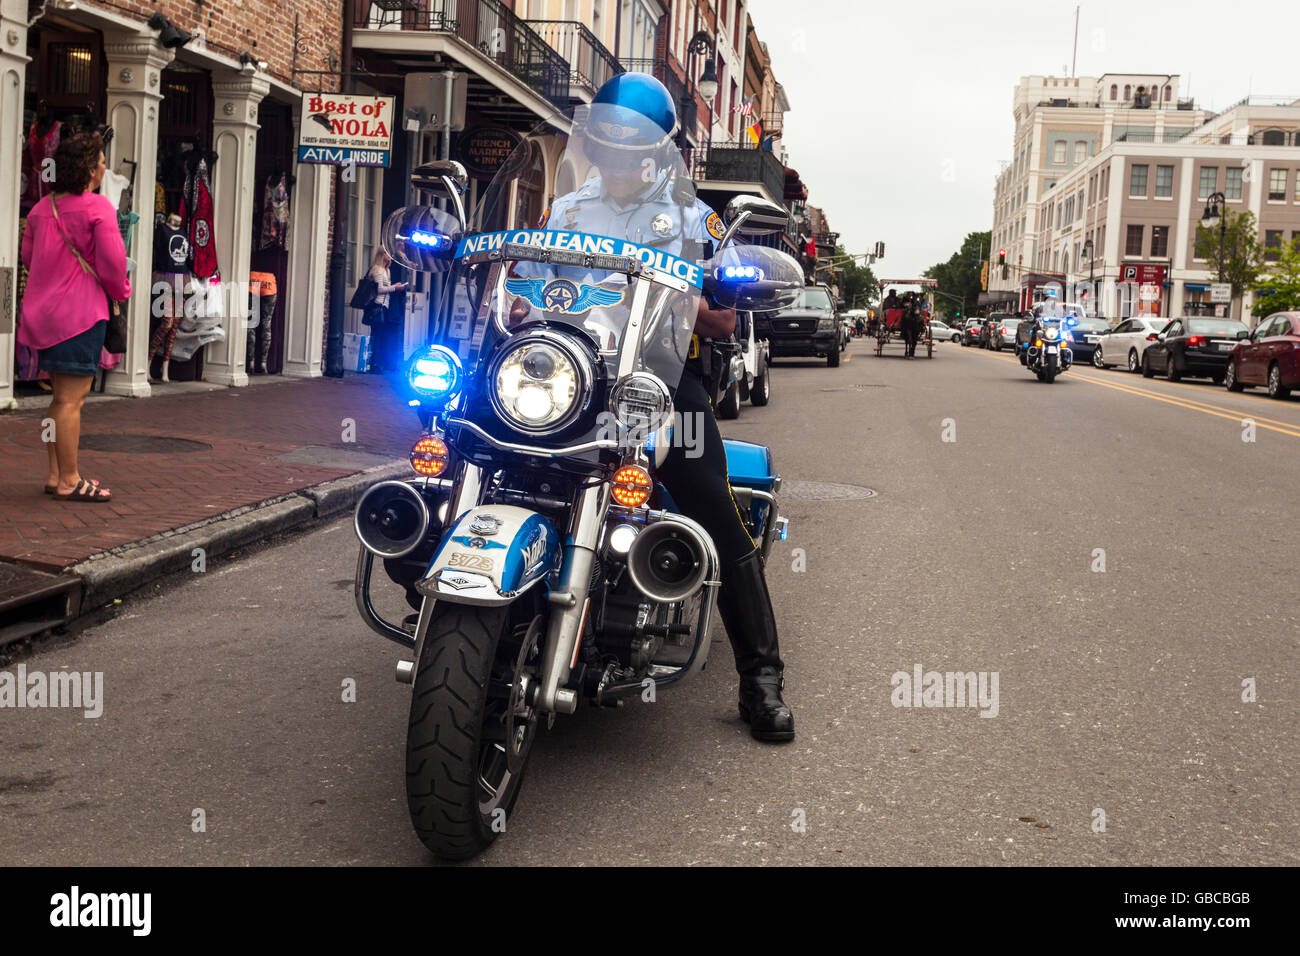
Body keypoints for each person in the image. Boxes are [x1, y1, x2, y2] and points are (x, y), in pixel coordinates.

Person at [515, 74, 794, 741]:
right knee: (477, 444)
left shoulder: (695, 220)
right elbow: (530, 285)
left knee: (713, 507)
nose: (616, 154)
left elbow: (725, 323)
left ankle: (762, 678)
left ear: (658, 149)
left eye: (631, 142)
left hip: (661, 385)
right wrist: (522, 299)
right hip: (572, 380)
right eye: (606, 140)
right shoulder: (568, 213)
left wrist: (697, 299)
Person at [17, 131, 129, 502]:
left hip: (42, 315)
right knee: (71, 400)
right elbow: (113, 267)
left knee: (57, 400)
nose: (103, 167)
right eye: (99, 161)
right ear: (89, 170)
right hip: (80, 315)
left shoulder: (40, 209)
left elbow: (29, 258)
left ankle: (54, 473)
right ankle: (69, 478)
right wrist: (122, 293)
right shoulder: (98, 208)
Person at [364, 248, 407, 373]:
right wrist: (395, 288)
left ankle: (377, 363)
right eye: (388, 254)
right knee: (377, 336)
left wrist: (394, 286)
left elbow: (385, 287)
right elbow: (378, 289)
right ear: (382, 255)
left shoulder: (386, 270)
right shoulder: (378, 270)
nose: (390, 256)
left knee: (380, 336)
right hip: (378, 306)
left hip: (384, 306)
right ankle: (374, 365)